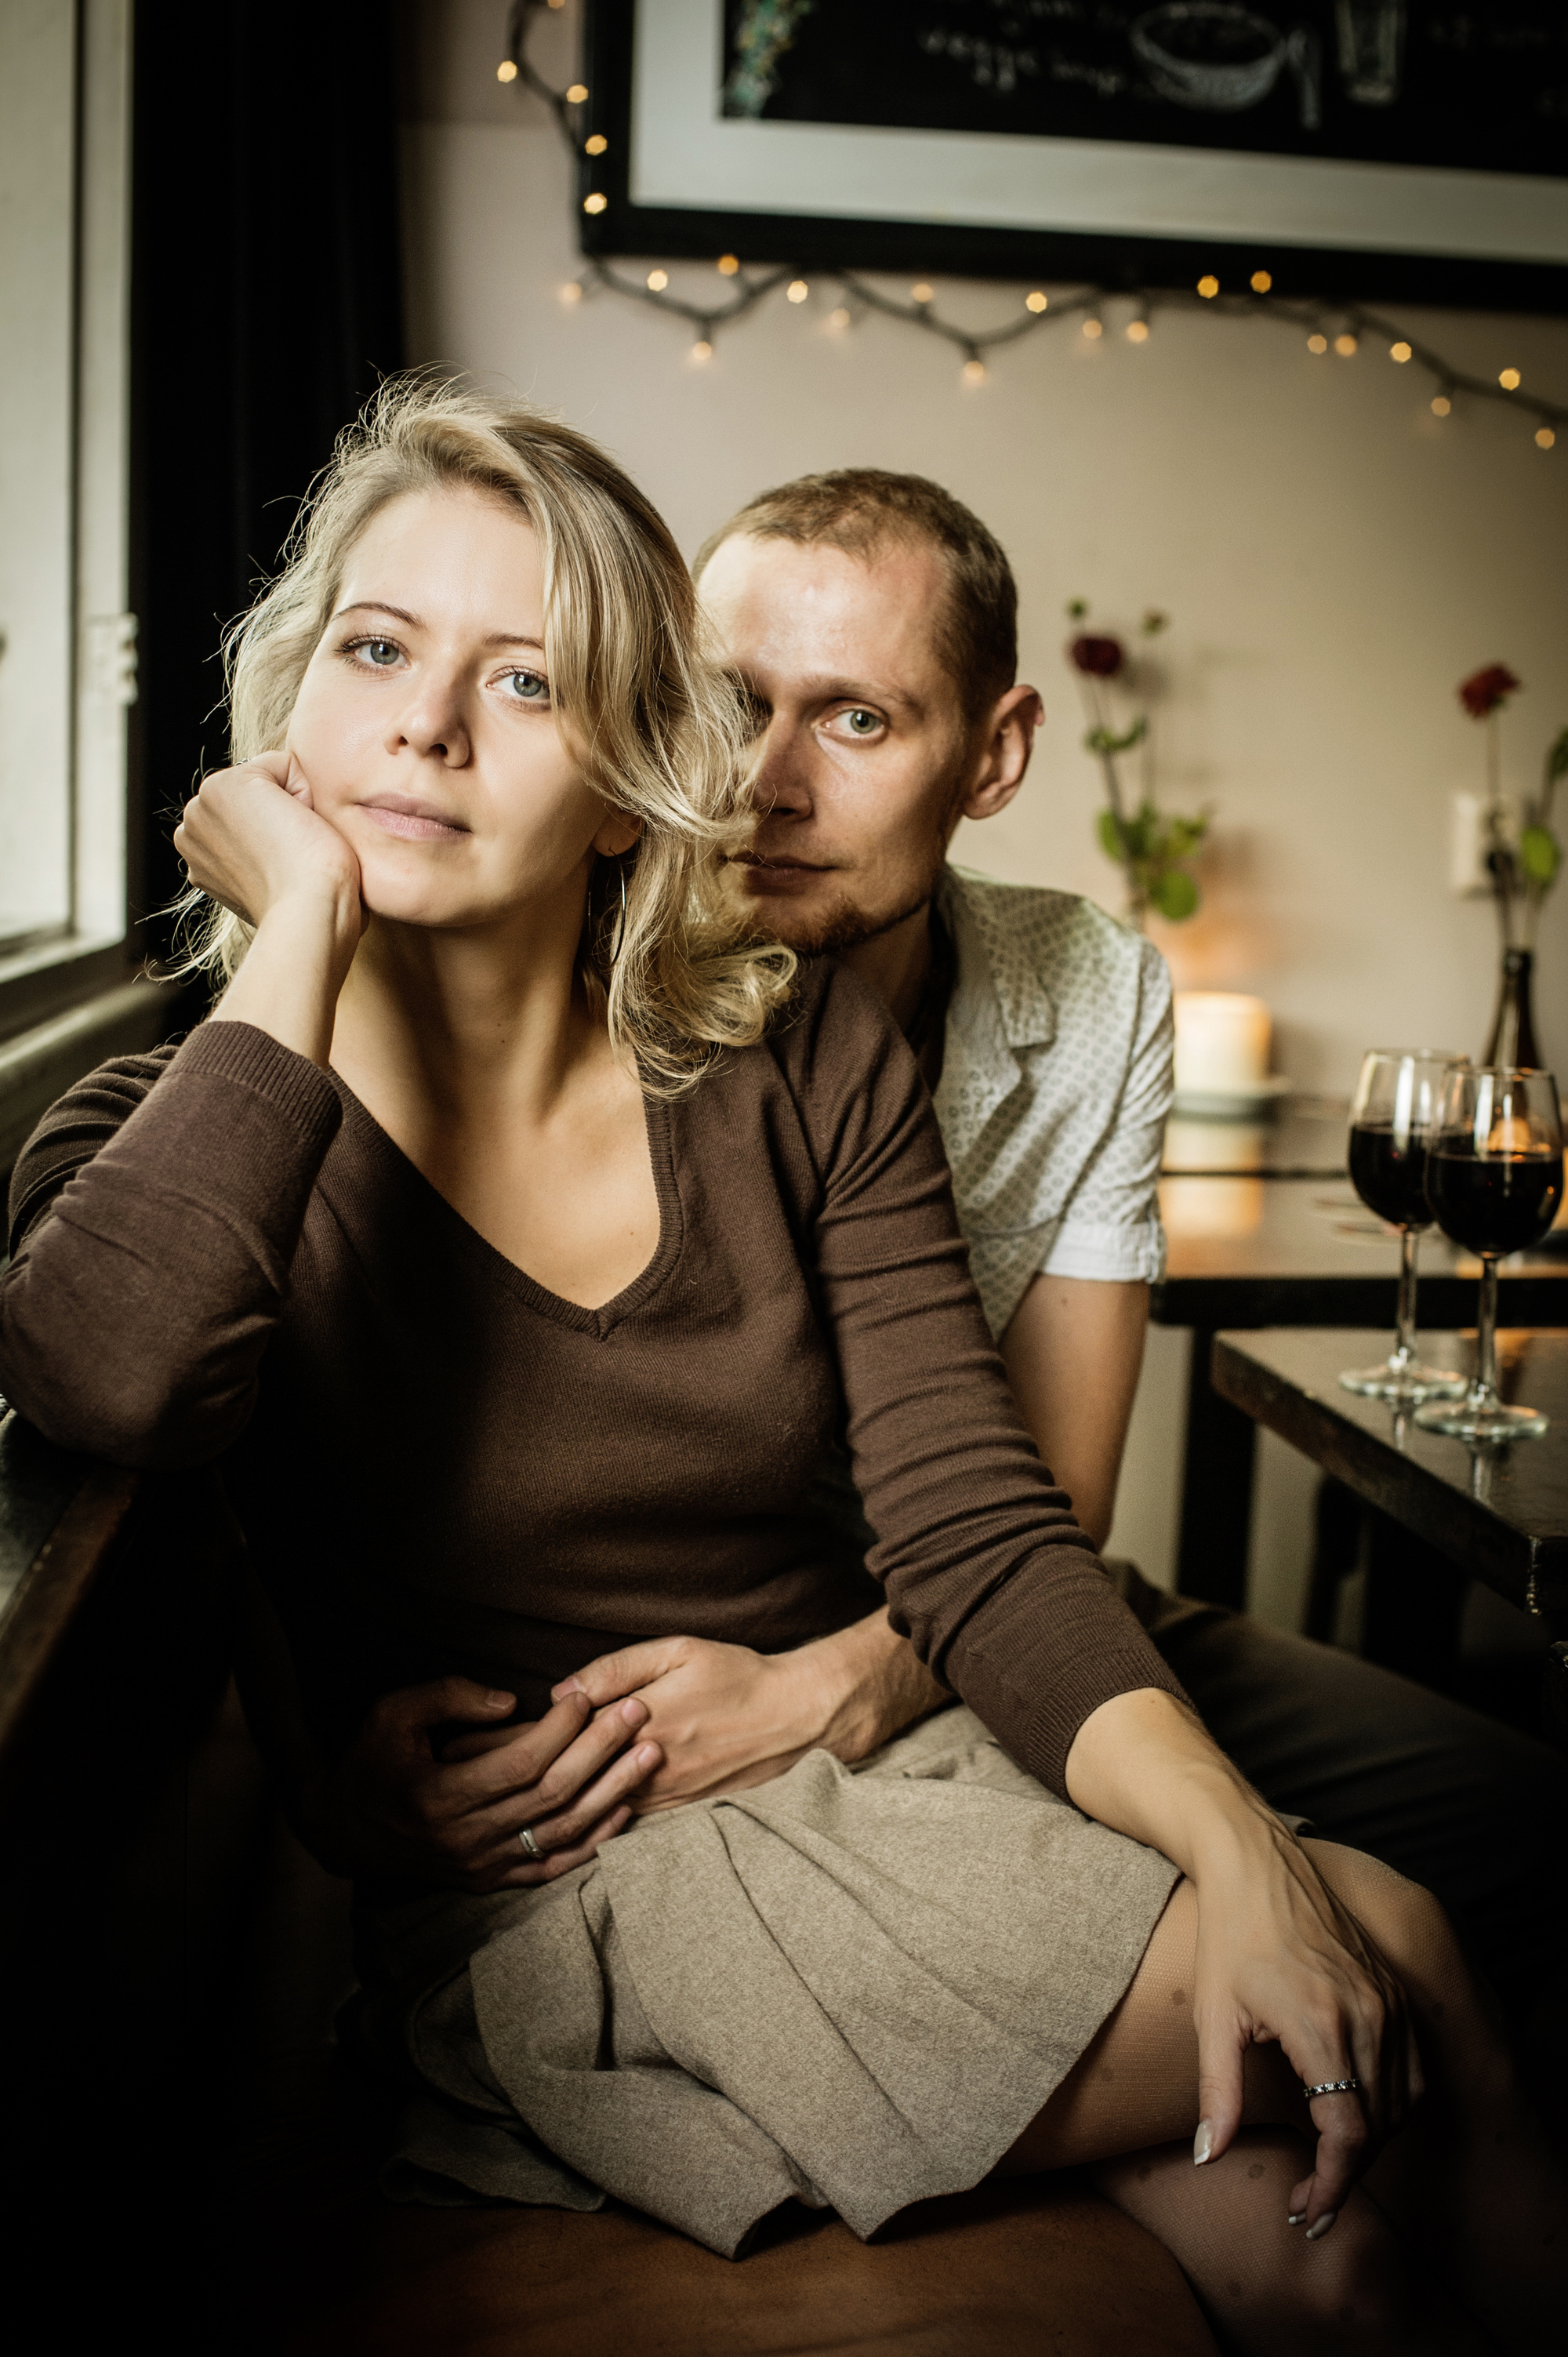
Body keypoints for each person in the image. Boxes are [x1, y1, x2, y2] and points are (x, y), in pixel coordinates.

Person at [3, 383, 1561, 2350]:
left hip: (885, 1795)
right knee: (1402, 1963)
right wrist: (302, 930)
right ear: (289, 705)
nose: (419, 726)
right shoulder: (176, 1133)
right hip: (569, 1896)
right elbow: (111, 1384)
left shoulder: (790, 1057)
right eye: (376, 652)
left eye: (527, 683)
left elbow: (985, 1533)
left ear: (633, 772)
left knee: (1325, 2223)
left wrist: (1234, 1843)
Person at [317, 465, 1567, 2067]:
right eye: (724, 704)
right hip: (677, 1690)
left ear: (994, 755)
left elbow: (1038, 1505)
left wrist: (836, 1690)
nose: (762, 784)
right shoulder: (550, 970)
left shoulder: (1088, 989)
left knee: (1519, 1832)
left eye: (853, 723)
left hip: (986, 1619)